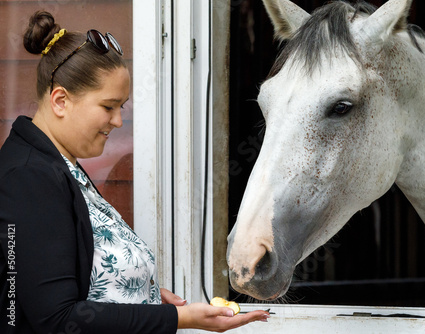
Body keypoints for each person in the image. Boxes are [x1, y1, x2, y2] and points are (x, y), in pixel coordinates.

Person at [0, 11, 269, 333]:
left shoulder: (59, 164)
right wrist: (177, 318)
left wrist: (144, 295)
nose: (117, 121)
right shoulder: (28, 176)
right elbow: (56, 319)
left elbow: (80, 272)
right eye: (108, 106)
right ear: (60, 100)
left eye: (122, 107)